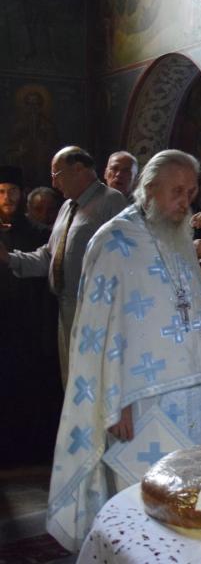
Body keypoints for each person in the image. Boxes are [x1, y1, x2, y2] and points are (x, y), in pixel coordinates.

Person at [47, 149, 201, 551]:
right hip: (140, 402)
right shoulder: (113, 242)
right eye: (176, 191)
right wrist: (113, 402)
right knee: (145, 505)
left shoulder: (179, 237)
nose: (185, 201)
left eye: (191, 192)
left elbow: (193, 310)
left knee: (194, 501)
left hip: (192, 397)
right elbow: (97, 330)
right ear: (149, 190)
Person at [0, 146, 128, 386]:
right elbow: (49, 256)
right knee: (72, 380)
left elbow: (125, 258)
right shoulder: (68, 207)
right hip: (65, 308)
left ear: (78, 169)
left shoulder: (111, 201)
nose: (54, 183)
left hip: (96, 311)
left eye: (56, 175)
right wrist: (9, 258)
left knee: (96, 380)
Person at [0, 165, 62, 466]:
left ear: (21, 193)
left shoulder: (39, 234)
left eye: (12, 191)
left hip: (28, 330)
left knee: (28, 394)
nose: (7, 197)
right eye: (1, 191)